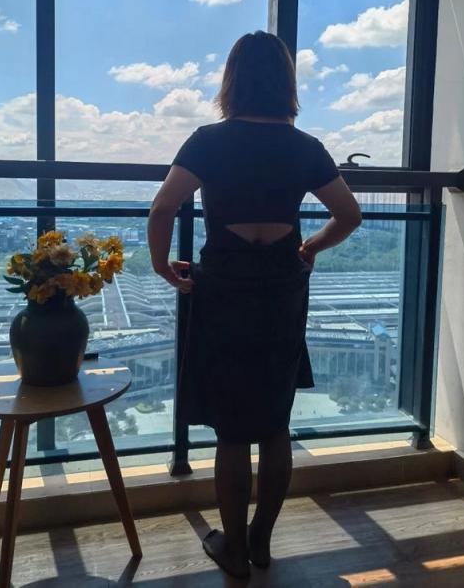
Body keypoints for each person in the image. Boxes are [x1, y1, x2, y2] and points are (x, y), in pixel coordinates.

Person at [147, 31, 362, 579]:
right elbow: (349, 214)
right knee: (273, 422)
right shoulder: (305, 147)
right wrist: (310, 247)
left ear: (232, 81)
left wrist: (161, 264)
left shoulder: (208, 141)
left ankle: (234, 550)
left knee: (232, 428)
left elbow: (164, 206)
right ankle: (262, 541)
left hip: (225, 285)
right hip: (282, 287)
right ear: (285, 83)